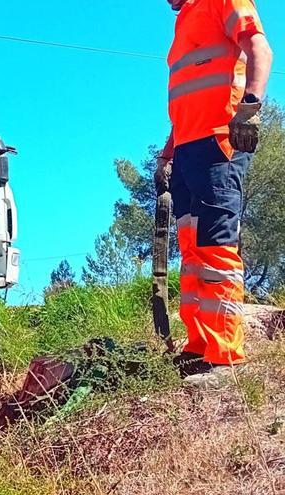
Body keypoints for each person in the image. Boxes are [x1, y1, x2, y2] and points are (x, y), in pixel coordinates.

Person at [157, 0, 273, 385]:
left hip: (218, 143)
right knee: (191, 252)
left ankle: (224, 355)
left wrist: (251, 107)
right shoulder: (186, 21)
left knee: (216, 246)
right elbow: (188, 98)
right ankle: (199, 347)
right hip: (188, 148)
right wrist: (168, 152)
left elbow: (259, 46)